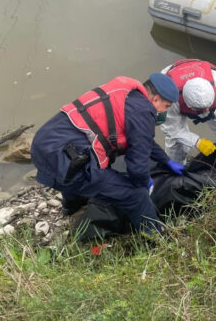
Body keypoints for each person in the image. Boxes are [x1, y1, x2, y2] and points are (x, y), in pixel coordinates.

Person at [30, 74, 185, 234]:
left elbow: (142, 140)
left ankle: (71, 208)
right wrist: (145, 182)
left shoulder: (127, 92)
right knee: (137, 196)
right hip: (65, 160)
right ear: (156, 100)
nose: (164, 112)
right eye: (166, 106)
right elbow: (137, 168)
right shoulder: (144, 111)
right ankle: (156, 239)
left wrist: (166, 160)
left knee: (75, 169)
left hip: (43, 145)